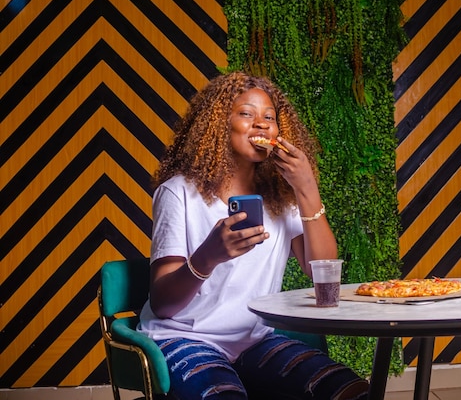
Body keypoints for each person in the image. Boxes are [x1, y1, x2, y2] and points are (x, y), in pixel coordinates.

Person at [138, 71, 369, 399]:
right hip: (182, 338)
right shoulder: (178, 193)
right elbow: (162, 305)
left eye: (269, 118)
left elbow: (323, 277)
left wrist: (307, 189)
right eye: (247, 114)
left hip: (254, 341)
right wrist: (208, 256)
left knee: (349, 391)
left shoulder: (282, 197)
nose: (262, 124)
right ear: (219, 124)